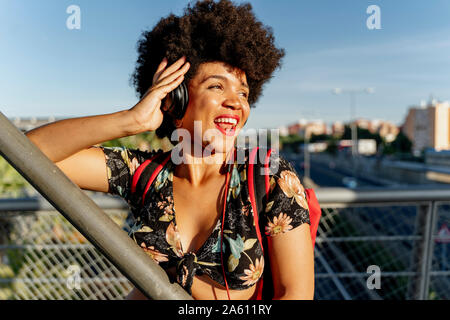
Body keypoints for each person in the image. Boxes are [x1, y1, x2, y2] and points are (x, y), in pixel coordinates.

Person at [26, 0, 314, 300]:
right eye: (217, 86)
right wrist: (131, 120)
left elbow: (295, 294)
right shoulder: (145, 175)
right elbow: (31, 151)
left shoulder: (266, 175)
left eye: (243, 92)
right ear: (175, 99)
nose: (237, 102)